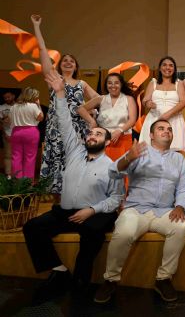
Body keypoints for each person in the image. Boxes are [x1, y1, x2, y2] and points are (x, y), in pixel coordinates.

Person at [23, 71, 122, 299]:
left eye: (98, 134)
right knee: (32, 227)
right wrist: (59, 93)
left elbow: (115, 200)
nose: (91, 136)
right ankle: (59, 271)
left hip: (95, 214)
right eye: (90, 133)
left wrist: (92, 210)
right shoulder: (75, 151)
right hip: (66, 212)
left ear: (107, 141)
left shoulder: (113, 166)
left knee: (92, 231)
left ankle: (81, 281)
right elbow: (65, 122)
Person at [95, 119, 185, 303]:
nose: (167, 132)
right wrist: (127, 158)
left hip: (165, 211)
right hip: (136, 209)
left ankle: (163, 279)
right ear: (152, 135)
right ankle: (111, 280)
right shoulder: (139, 152)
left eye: (170, 129)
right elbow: (113, 172)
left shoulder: (178, 159)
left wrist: (180, 205)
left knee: (180, 228)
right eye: (161, 129)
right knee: (124, 232)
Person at [32, 14, 99, 193]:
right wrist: (36, 26)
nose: (68, 62)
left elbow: (99, 98)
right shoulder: (54, 78)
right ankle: (57, 205)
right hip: (57, 129)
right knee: (57, 163)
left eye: (72, 61)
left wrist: (87, 112)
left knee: (75, 163)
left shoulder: (82, 84)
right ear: (60, 66)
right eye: (65, 60)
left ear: (76, 67)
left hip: (78, 129)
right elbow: (42, 50)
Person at [78, 73, 138, 160]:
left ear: (121, 84)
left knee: (121, 170)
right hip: (103, 140)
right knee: (103, 170)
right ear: (106, 85)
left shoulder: (128, 99)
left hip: (123, 138)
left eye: (116, 83)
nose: (113, 85)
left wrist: (119, 131)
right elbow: (80, 109)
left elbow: (132, 120)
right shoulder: (101, 99)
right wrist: (92, 121)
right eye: (110, 83)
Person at [139, 56, 185, 152]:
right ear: (160, 68)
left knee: (173, 153)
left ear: (174, 69)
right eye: (164, 65)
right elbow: (145, 100)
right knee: (151, 152)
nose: (167, 68)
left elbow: (184, 101)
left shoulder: (179, 83)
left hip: (174, 120)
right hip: (154, 119)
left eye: (171, 66)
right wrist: (147, 103)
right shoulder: (153, 83)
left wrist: (168, 115)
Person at [9, 87, 44, 178]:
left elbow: (10, 120)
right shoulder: (33, 106)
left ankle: (17, 181)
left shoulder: (13, 107)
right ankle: (27, 182)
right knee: (30, 157)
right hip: (31, 132)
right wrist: (39, 105)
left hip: (16, 131)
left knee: (16, 156)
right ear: (32, 96)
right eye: (36, 96)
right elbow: (41, 118)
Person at [1, 90, 18, 174]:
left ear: (13, 96)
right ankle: (8, 175)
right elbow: (0, 123)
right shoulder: (1, 107)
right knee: (8, 155)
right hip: (7, 135)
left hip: (19, 135)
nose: (7, 99)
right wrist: (5, 135)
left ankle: (17, 175)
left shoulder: (19, 106)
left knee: (18, 155)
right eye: (5, 98)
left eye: (8, 97)